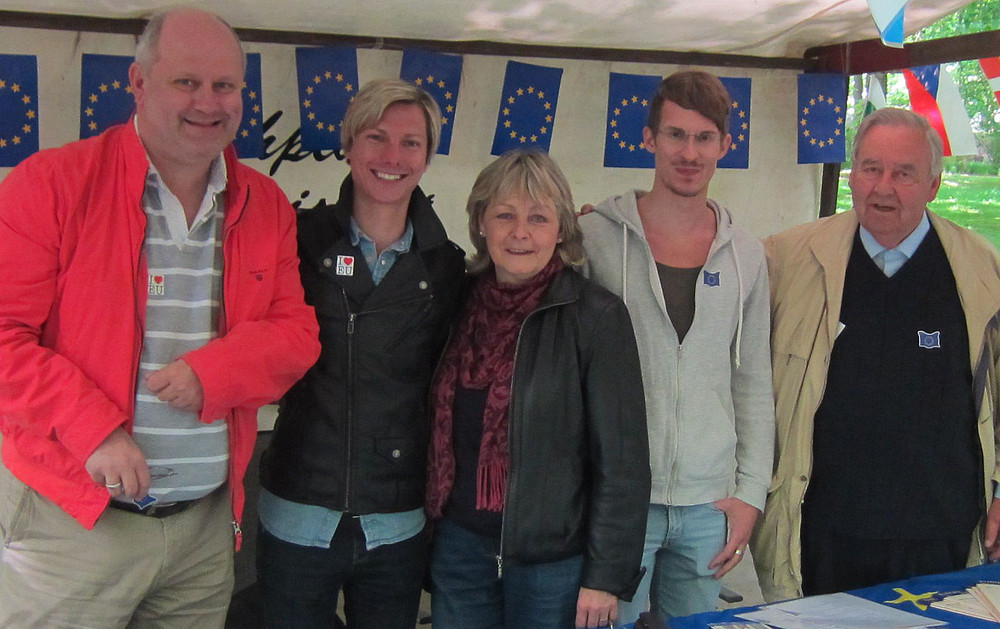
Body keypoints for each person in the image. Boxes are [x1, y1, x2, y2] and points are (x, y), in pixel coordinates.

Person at [0, 8, 320, 628]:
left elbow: (297, 334)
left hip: (202, 532)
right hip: (72, 529)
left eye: (224, 86)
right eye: (186, 82)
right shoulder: (51, 184)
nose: (208, 102)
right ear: (139, 83)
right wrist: (92, 429)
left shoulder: (266, 203)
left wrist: (214, 374)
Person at [751, 107, 1000, 601]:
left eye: (904, 173)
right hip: (820, 531)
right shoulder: (786, 260)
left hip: (941, 535)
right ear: (852, 174)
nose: (883, 187)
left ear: (933, 185)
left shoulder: (983, 273)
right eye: (870, 168)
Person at [256, 78, 466, 629]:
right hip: (299, 508)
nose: (392, 157)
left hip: (396, 520)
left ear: (428, 156)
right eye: (376, 137)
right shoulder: (297, 241)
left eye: (410, 142)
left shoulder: (447, 265)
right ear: (348, 145)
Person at [579, 71, 775, 622]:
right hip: (616, 499)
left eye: (704, 138)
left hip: (709, 503)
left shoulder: (747, 255)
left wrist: (750, 494)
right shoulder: (594, 238)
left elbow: (753, 382)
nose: (690, 153)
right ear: (649, 139)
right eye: (676, 135)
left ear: (725, 146)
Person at [426, 148, 650, 629]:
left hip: (553, 565)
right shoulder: (454, 302)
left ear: (562, 229)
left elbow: (623, 462)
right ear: (481, 222)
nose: (520, 232)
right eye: (504, 214)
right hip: (459, 549)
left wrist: (605, 577)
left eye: (538, 217)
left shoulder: (595, 316)